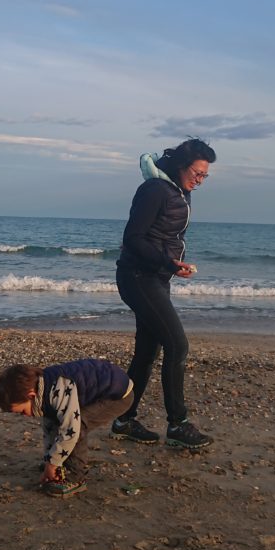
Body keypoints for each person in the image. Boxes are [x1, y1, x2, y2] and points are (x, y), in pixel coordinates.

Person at [111, 137, 216, 450]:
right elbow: (133, 238)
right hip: (138, 277)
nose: (200, 180)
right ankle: (177, 424)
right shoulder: (155, 190)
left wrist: (171, 265)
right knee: (177, 345)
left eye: (205, 176)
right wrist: (167, 262)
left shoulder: (178, 190)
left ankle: (123, 420)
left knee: (147, 352)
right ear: (181, 166)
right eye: (197, 173)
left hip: (156, 277)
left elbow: (165, 235)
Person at [0, 359, 134, 497]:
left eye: (22, 411)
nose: (24, 416)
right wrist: (51, 461)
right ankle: (62, 465)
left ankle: (76, 476)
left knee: (78, 426)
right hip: (96, 389)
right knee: (60, 423)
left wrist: (52, 464)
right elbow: (50, 428)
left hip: (118, 396)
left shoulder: (58, 390)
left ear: (31, 396)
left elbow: (70, 431)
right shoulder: (42, 394)